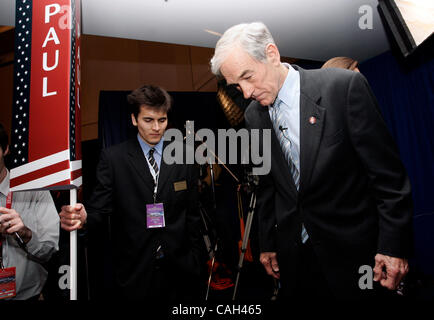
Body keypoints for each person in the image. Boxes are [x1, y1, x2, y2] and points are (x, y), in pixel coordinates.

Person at [210, 22, 413, 299]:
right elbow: (268, 185)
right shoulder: (254, 116)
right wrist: (268, 243)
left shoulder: (343, 88)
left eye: (248, 76)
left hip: (356, 255)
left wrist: (392, 247)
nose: (245, 93)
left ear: (272, 53)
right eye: (236, 85)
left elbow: (388, 179)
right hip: (297, 260)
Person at [59, 85, 204, 300]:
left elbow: (192, 214)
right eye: (148, 120)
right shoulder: (113, 159)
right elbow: (100, 209)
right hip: (134, 270)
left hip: (180, 269)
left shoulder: (184, 156)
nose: (156, 127)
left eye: (162, 120)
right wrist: (84, 217)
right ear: (134, 119)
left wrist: (197, 260)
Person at [0, 123, 59, 300]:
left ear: (5, 150)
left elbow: (50, 249)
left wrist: (25, 235)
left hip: (28, 296)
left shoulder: (33, 190)